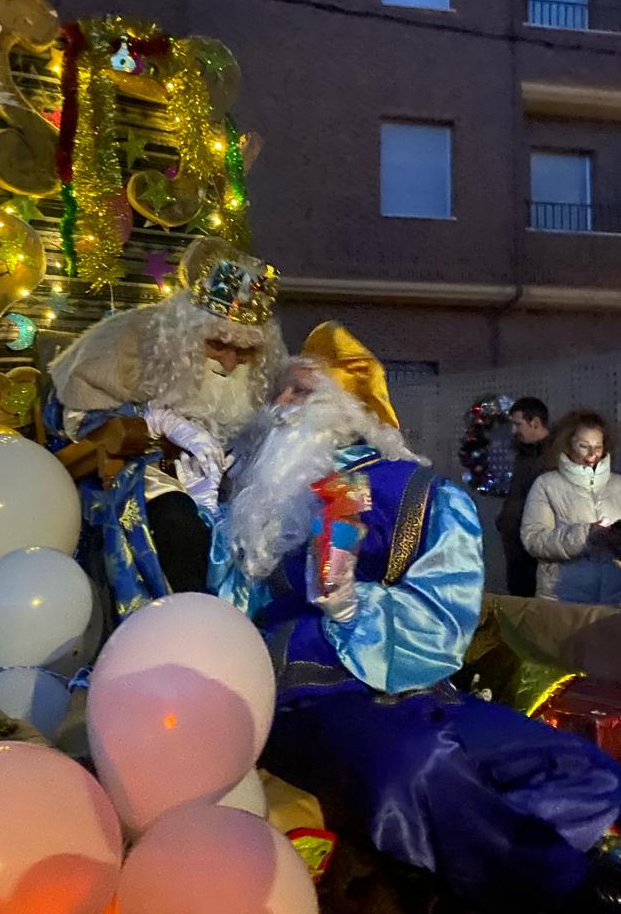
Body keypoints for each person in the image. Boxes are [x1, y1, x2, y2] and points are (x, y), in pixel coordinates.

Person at [208, 324, 621, 913]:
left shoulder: (422, 494)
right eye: (280, 390)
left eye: (301, 391)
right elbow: (225, 614)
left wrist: (352, 604)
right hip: (307, 701)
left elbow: (445, 618)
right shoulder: (254, 505)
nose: (281, 404)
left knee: (586, 772)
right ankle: (567, 891)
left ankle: (462, 878)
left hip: (424, 689)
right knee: (414, 767)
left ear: (346, 409)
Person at [47, 236, 286, 604]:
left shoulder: (256, 379)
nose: (228, 363)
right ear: (188, 336)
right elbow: (80, 417)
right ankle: (187, 618)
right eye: (217, 344)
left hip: (223, 484)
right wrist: (159, 425)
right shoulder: (132, 340)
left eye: (242, 351)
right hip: (139, 472)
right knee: (178, 522)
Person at [521, 410, 621, 605]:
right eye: (584, 446)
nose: (592, 454)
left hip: (614, 600)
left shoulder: (618, 485)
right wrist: (585, 535)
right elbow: (533, 539)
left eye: (598, 447)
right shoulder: (547, 485)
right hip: (564, 598)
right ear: (568, 445)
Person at [497, 397, 550, 597]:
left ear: (535, 422)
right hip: (515, 547)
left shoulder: (551, 458)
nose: (513, 430)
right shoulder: (523, 455)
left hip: (535, 551)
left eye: (518, 424)